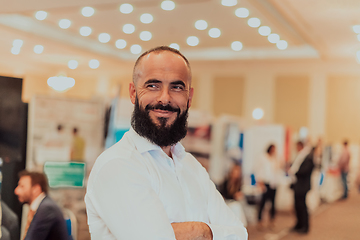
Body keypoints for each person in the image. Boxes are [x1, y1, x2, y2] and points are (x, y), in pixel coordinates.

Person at [85, 46, 248, 240]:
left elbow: (239, 234)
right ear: (132, 93)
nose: (165, 98)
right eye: (152, 85)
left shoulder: (191, 166)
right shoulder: (117, 164)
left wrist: (198, 231)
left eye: (176, 87)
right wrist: (206, 230)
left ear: (189, 97)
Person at [14, 170, 68, 240]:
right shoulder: (43, 205)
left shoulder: (47, 209)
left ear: (36, 189)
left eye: (22, 186)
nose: (16, 191)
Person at [289, 142, 315, 234]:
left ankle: (305, 226)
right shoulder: (300, 156)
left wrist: (294, 172)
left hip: (302, 186)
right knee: (297, 206)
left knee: (302, 206)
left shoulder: (308, 157)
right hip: (298, 185)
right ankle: (299, 224)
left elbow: (305, 171)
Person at [255, 144, 281, 230]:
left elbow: (276, 170)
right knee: (263, 202)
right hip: (265, 182)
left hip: (273, 183)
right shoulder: (263, 158)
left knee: (273, 202)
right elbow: (258, 169)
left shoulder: (274, 159)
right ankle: (260, 220)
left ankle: (272, 220)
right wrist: (260, 181)